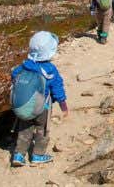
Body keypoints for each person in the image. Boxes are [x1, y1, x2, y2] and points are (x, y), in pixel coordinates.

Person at [10, 31, 68, 167]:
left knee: (24, 129)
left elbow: (14, 76)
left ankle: (19, 155)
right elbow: (57, 89)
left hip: (26, 104)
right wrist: (63, 106)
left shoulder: (23, 66)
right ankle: (38, 155)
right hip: (44, 107)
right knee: (42, 130)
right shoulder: (50, 69)